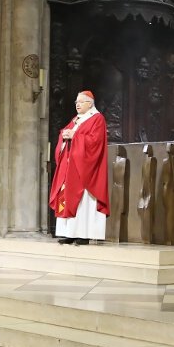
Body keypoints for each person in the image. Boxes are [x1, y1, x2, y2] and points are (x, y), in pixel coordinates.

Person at [49, 90, 109, 245]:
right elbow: (65, 134)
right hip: (70, 168)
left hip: (85, 169)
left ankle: (84, 234)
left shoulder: (97, 119)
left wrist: (74, 137)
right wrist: (65, 136)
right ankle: (69, 233)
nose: (77, 104)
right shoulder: (76, 120)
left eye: (81, 102)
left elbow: (95, 142)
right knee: (66, 197)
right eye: (76, 102)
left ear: (90, 103)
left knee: (84, 201)